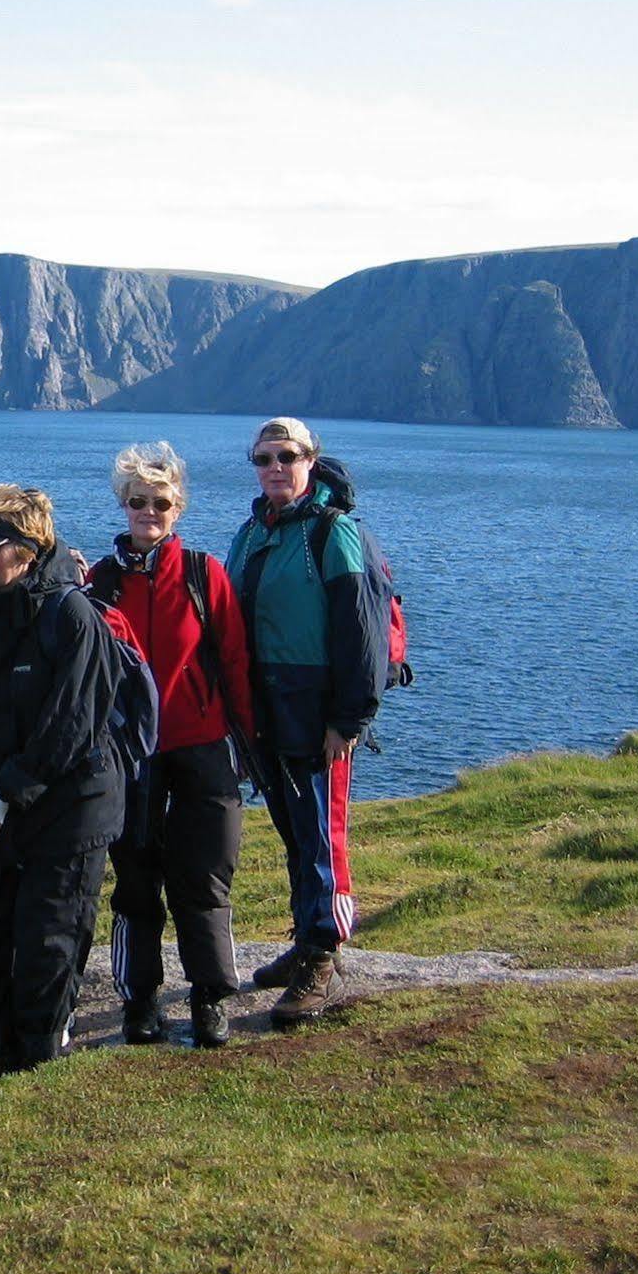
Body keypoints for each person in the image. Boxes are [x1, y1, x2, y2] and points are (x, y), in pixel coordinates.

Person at [0, 485, 126, 1072]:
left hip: (70, 808)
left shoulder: (69, 615)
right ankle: (0, 1062)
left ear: (28, 549)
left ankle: (38, 1065)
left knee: (50, 942)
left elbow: (70, 725)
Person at [90, 442, 256, 1049]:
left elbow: (234, 659)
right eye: (138, 501)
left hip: (203, 746)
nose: (149, 511)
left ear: (177, 507)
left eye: (160, 502)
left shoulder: (203, 574)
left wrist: (248, 743)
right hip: (133, 755)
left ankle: (211, 999)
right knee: (135, 883)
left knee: (205, 879)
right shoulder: (100, 581)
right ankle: (139, 1000)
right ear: (123, 505)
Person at [225, 419, 383, 1026]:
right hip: (267, 712)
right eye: (262, 458)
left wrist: (349, 719)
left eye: (286, 456)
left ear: (310, 461)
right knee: (296, 834)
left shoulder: (333, 534)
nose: (274, 467)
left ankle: (323, 957)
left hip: (319, 716)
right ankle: (305, 942)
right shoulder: (252, 533)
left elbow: (361, 631)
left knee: (323, 836)